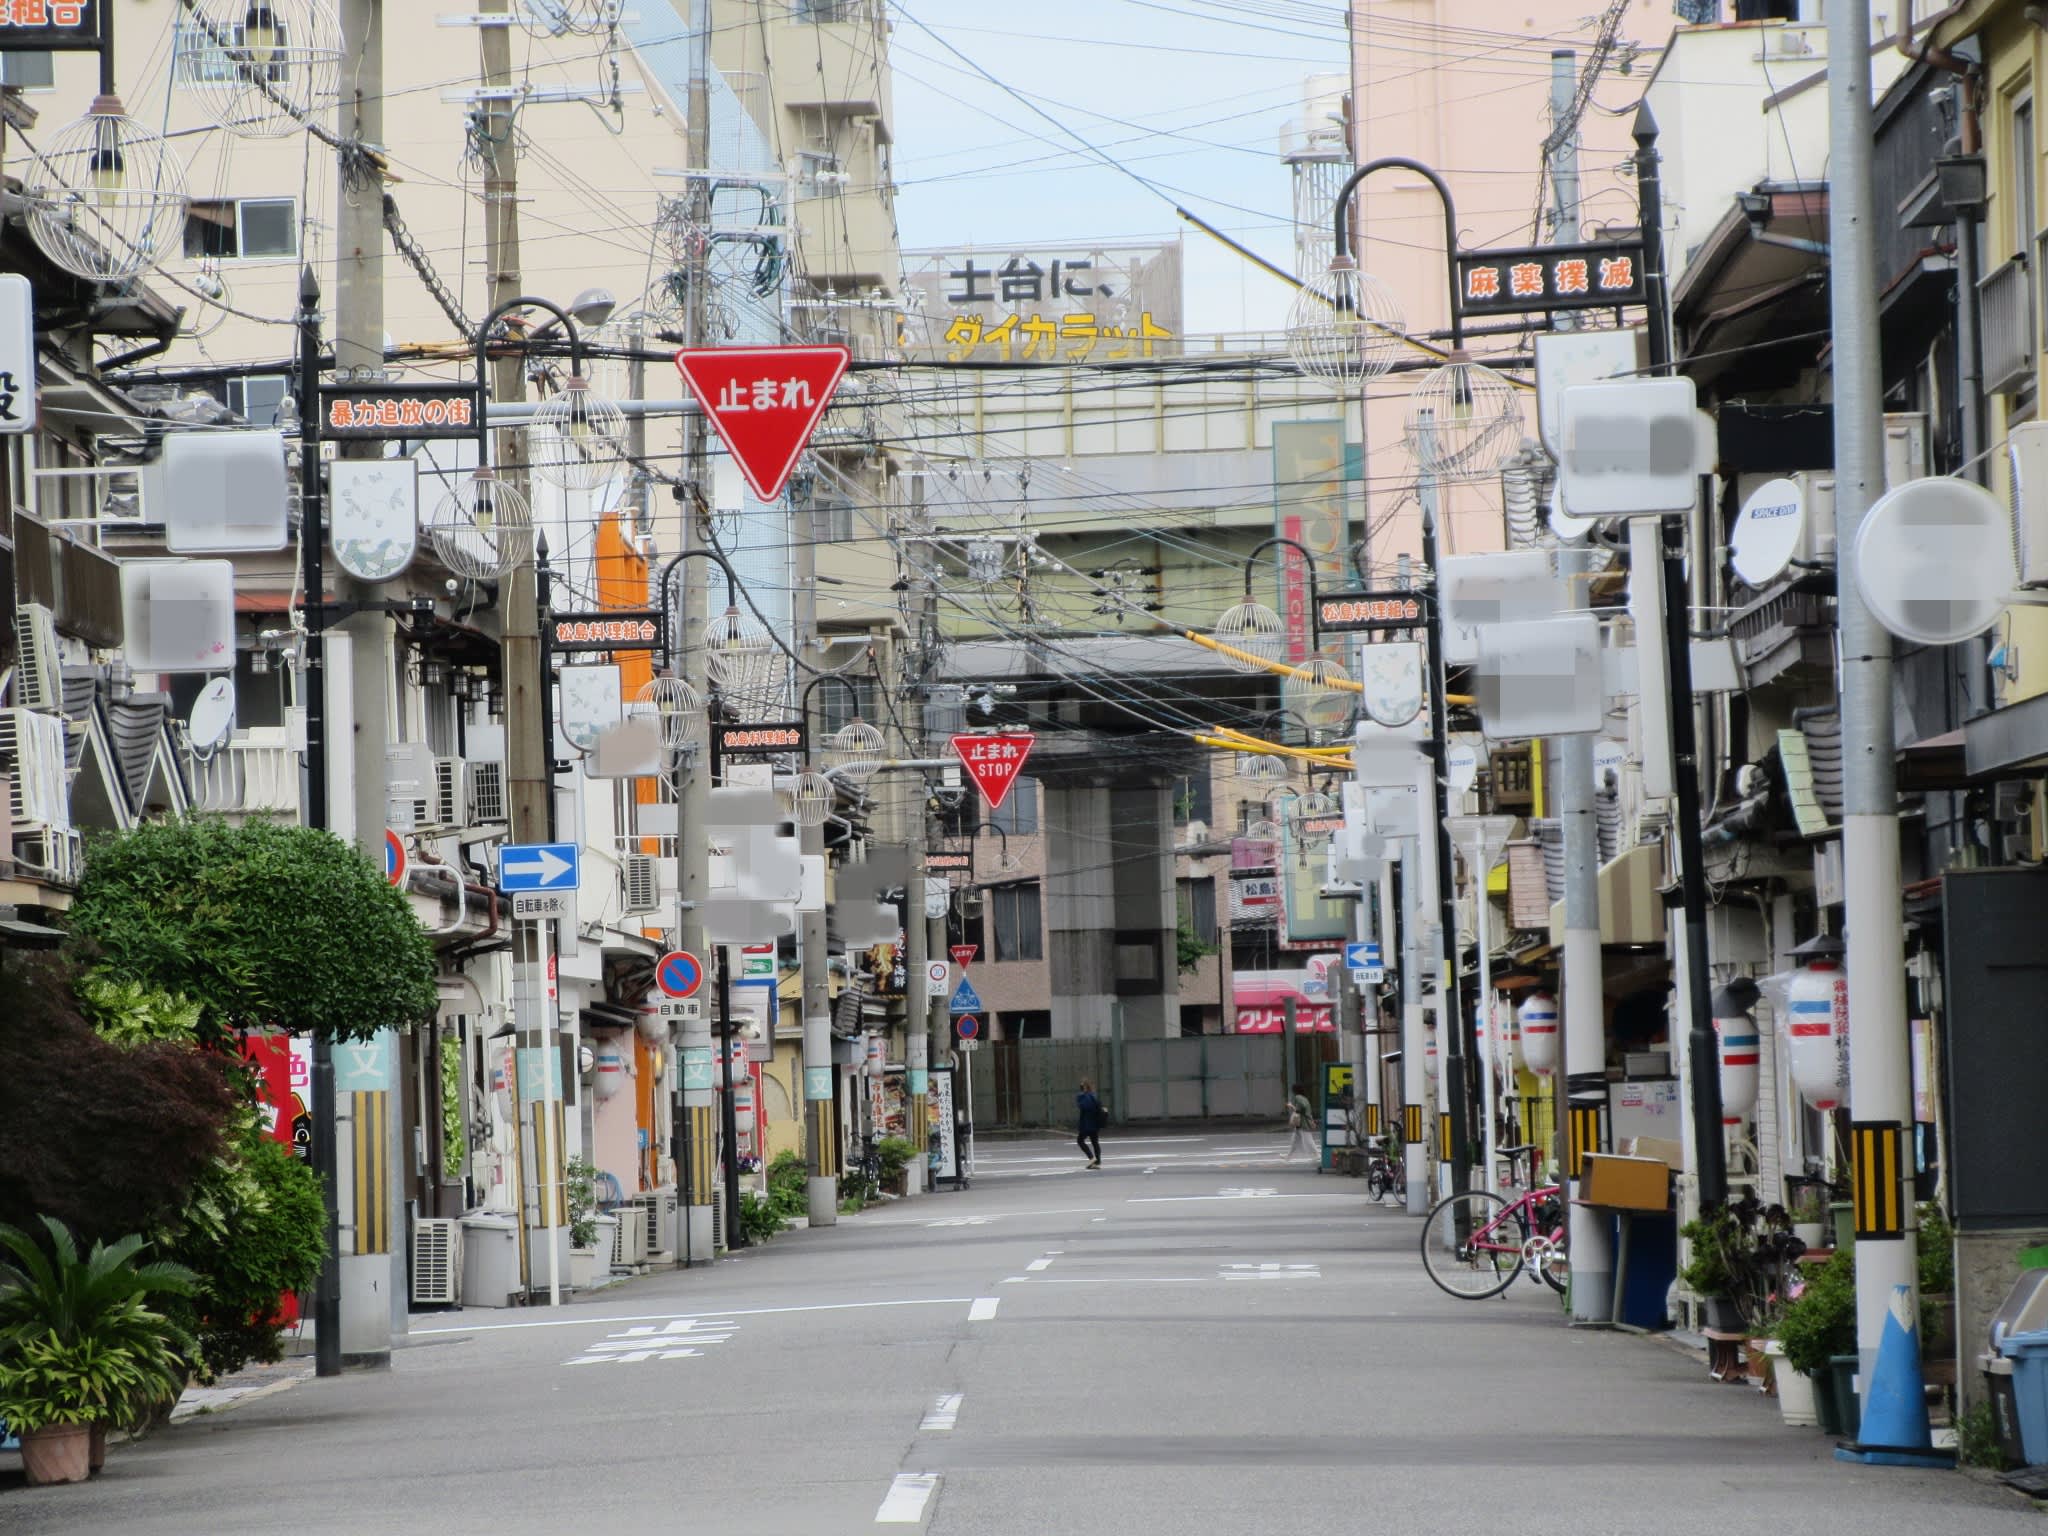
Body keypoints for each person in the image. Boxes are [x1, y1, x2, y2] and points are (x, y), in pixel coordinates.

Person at [1284, 1082, 1317, 1163]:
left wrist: (1290, 1106)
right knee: (1294, 1141)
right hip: (1301, 1123)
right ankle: (1288, 1157)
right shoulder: (1304, 1097)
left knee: (1309, 1140)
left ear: (1294, 1090)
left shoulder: (1298, 1097)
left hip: (1303, 1123)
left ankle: (1317, 1155)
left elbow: (1299, 1109)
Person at [1075, 1078, 1105, 1168]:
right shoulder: (1093, 1096)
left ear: (1084, 1087)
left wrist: (1081, 1096)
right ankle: (1098, 1161)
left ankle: (1092, 1159)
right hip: (1095, 1124)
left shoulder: (1083, 1097)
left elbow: (1083, 1106)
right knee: (1095, 1142)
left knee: (1080, 1141)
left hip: (1086, 1124)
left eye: (1081, 1086)